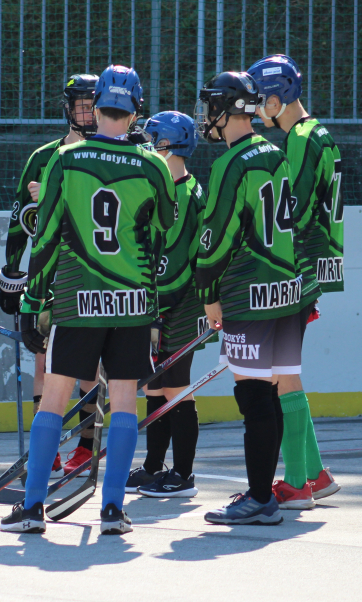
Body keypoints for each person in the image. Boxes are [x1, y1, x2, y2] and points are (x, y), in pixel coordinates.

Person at [0, 65, 176, 535]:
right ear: (136, 112)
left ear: (95, 108)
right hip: (132, 302)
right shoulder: (153, 165)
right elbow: (164, 226)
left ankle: (33, 507)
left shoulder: (66, 158)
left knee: (54, 399)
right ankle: (113, 510)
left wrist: (32, 302)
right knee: (124, 402)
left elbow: (46, 236)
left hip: (78, 300)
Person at [195, 71, 307, 526]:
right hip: (286, 290)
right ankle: (264, 492)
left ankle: (260, 498)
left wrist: (207, 292)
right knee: (271, 394)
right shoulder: (275, 152)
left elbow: (215, 239)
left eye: (211, 106)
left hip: (250, 292)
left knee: (253, 397)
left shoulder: (231, 163)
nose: (207, 116)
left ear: (225, 110)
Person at [248, 54, 343, 509]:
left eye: (258, 101)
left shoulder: (301, 139)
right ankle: (315, 475)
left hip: (296, 268)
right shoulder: (317, 132)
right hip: (313, 265)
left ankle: (296, 482)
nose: (254, 110)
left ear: (275, 99)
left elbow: (293, 210)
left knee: (280, 375)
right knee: (285, 373)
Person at [0, 73, 99, 479]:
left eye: (93, 105)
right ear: (68, 108)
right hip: (48, 277)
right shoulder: (42, 157)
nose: (87, 113)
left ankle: (87, 445)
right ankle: (48, 448)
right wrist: (11, 272)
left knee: (89, 367)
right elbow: (19, 219)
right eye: (81, 105)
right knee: (44, 360)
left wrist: (56, 193)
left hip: (92, 275)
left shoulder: (109, 155)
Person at [124, 111, 211, 498]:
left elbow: (175, 263)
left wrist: (156, 310)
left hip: (181, 303)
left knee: (177, 387)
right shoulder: (162, 187)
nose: (145, 146)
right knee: (154, 386)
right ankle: (154, 466)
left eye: (151, 140)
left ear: (168, 146)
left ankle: (183, 474)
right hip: (159, 301)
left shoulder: (186, 194)